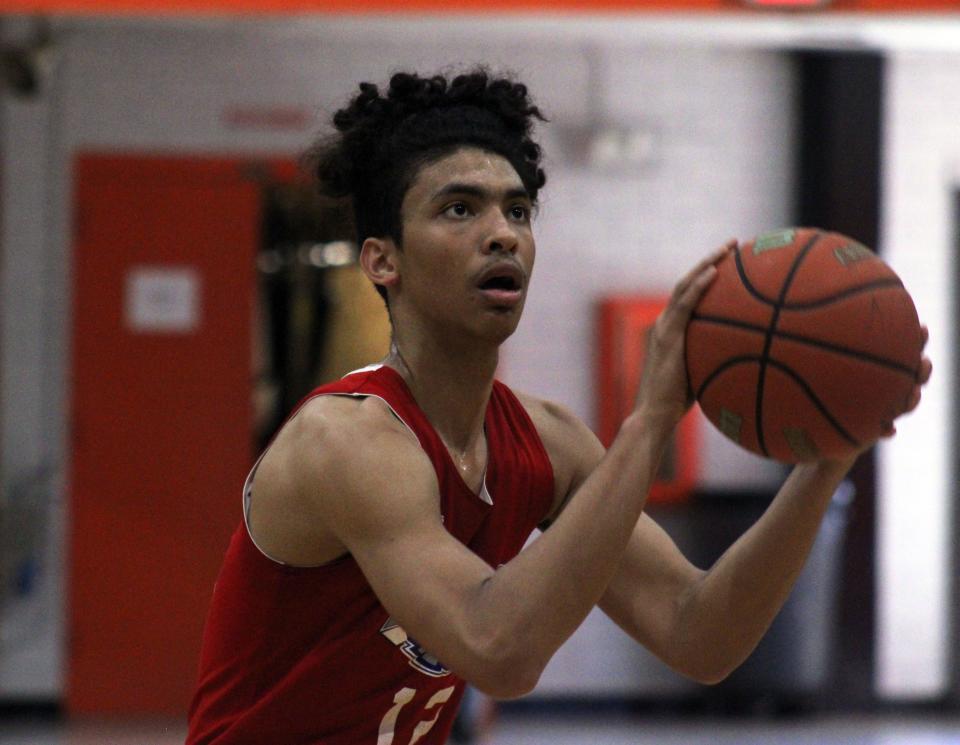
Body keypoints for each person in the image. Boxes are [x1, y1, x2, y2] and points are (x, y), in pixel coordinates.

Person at [185, 69, 931, 745]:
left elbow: (700, 631)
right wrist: (650, 419)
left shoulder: (546, 442)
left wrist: (829, 457)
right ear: (384, 260)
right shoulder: (346, 439)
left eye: (518, 210)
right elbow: (497, 649)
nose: (502, 232)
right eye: (458, 209)